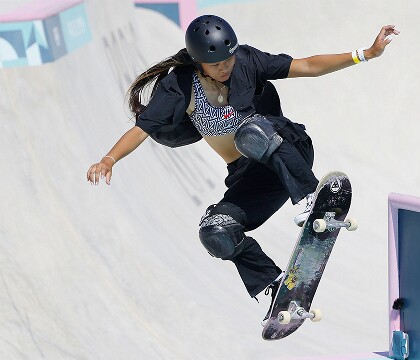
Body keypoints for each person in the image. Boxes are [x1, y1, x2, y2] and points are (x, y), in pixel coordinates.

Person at [86, 14, 398, 316]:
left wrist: (366, 53)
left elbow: (307, 65)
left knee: (252, 133)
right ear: (197, 62)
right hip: (250, 177)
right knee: (216, 231)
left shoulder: (248, 61)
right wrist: (109, 159)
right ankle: (278, 286)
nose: (224, 68)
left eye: (227, 60)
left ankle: (310, 198)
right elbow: (143, 128)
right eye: (215, 64)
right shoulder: (179, 85)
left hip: (289, 151)